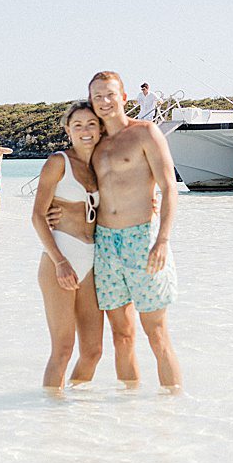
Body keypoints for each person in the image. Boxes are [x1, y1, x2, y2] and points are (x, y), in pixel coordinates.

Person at [87, 71, 181, 390]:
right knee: (122, 336)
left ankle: (171, 416)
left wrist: (163, 240)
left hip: (143, 239)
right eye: (97, 96)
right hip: (105, 244)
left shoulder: (145, 133)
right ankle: (128, 419)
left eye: (110, 94)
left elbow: (169, 187)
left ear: (124, 98)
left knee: (156, 334)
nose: (104, 101)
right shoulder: (93, 142)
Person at [31, 101, 106, 390]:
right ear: (67, 130)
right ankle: (51, 419)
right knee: (62, 350)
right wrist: (60, 261)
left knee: (93, 352)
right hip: (60, 258)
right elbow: (38, 215)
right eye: (77, 125)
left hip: (92, 260)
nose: (85, 131)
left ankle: (76, 417)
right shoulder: (58, 162)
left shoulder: (102, 164)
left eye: (91, 124)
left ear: (100, 128)